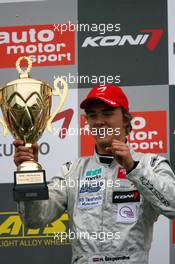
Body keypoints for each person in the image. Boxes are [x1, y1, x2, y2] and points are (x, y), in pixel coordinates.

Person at [14, 84, 175, 264]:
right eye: (92, 115)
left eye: (107, 113)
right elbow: (35, 219)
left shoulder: (149, 164)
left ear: (126, 120)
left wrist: (133, 168)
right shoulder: (72, 171)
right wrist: (29, 173)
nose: (99, 121)